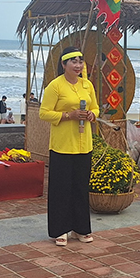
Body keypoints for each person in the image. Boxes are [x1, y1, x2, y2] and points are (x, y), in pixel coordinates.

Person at [39, 46, 98, 246]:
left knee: (81, 188)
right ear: (63, 64)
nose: (78, 65)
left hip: (84, 145)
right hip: (62, 146)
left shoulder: (87, 85)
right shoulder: (55, 86)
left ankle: (80, 229)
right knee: (61, 189)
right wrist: (67, 116)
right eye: (73, 61)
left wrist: (92, 115)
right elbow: (44, 113)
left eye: (80, 61)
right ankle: (60, 230)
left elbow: (95, 107)